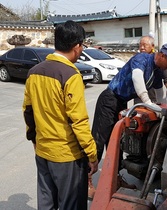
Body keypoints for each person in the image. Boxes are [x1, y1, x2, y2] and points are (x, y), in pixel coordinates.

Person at [22, 20, 98, 210]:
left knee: (46, 201)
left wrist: (34, 140)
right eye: (82, 46)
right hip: (66, 155)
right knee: (70, 204)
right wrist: (92, 154)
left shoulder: (34, 73)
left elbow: (28, 111)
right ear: (77, 46)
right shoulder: (71, 75)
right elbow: (78, 121)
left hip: (42, 151)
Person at [91, 43, 167, 164]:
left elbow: (160, 94)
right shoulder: (142, 59)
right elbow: (137, 78)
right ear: (162, 56)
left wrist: (163, 110)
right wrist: (148, 103)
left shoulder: (158, 70)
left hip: (122, 102)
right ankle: (88, 176)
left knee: (117, 140)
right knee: (99, 139)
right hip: (109, 99)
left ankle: (116, 177)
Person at [134, 35, 167, 104]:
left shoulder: (159, 61)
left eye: (145, 45)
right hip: (139, 100)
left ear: (152, 46)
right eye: (140, 45)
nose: (142, 48)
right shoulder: (137, 60)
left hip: (155, 99)